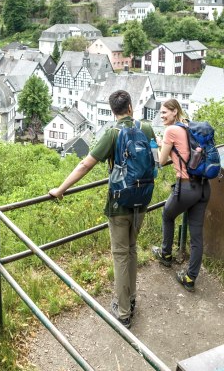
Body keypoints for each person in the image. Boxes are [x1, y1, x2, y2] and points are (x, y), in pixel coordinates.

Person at [48, 90, 155, 329]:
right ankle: (132, 296)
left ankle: (124, 311)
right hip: (143, 199)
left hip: (119, 203)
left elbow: (86, 164)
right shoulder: (146, 128)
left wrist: (61, 188)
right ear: (130, 107)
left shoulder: (111, 133)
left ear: (113, 110)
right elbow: (156, 159)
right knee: (132, 248)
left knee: (120, 254)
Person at [151, 99, 211, 292]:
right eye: (160, 113)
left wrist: (161, 144)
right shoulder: (189, 126)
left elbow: (160, 160)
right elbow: (183, 152)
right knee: (196, 236)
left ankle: (166, 254)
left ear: (175, 111)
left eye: (164, 112)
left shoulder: (170, 131)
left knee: (167, 215)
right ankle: (190, 278)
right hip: (203, 186)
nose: (162, 116)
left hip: (185, 187)